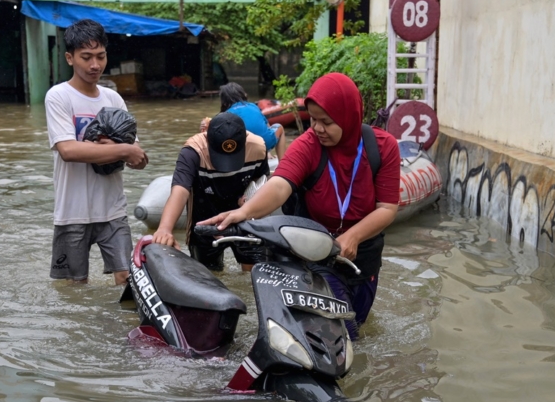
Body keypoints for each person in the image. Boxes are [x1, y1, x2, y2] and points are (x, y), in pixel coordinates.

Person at [197, 73, 400, 337]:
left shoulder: (383, 147)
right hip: (314, 250)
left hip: (364, 254)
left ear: (348, 117)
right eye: (313, 119)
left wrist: (353, 236)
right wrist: (243, 212)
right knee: (341, 331)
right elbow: (280, 184)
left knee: (358, 327)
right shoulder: (309, 145)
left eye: (326, 122)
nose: (317, 128)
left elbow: (387, 208)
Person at [44, 19, 149, 285]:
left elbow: (136, 155)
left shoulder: (113, 99)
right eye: (86, 57)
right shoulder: (59, 96)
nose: (95, 65)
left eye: (100, 56)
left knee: (128, 280)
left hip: (113, 209)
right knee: (73, 287)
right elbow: (67, 149)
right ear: (70, 58)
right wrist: (122, 149)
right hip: (72, 211)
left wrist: (130, 153)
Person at [152, 112, 270, 272]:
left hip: (244, 216)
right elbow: (180, 191)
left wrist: (250, 200)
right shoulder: (192, 152)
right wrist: (165, 229)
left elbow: (261, 181)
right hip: (204, 218)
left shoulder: (258, 147)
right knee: (210, 274)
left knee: (254, 273)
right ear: (206, 137)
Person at [200, 82, 288, 159]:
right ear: (242, 94)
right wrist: (266, 151)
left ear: (224, 101)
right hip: (264, 145)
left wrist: (205, 128)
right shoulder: (253, 106)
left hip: (243, 149)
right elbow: (266, 128)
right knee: (279, 127)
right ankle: (282, 164)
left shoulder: (225, 115)